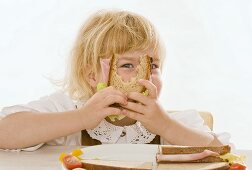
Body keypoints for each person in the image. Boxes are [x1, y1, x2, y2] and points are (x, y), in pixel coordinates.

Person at [0, 10, 229, 151]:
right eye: (127, 65)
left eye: (153, 66)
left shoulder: (175, 123)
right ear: (92, 75)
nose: (144, 77)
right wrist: (81, 118)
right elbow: (4, 133)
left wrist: (166, 126)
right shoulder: (66, 110)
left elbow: (224, 153)